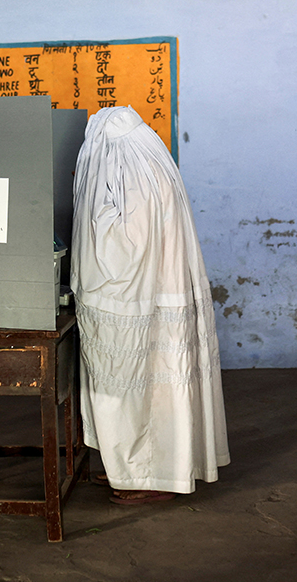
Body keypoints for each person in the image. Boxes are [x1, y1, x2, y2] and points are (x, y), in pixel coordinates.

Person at [70, 106, 230, 505]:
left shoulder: (129, 173)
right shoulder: (152, 162)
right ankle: (132, 463)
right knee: (158, 384)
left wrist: (87, 226)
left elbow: (122, 249)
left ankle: (149, 474)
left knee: (137, 388)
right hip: (159, 294)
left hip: (134, 302)